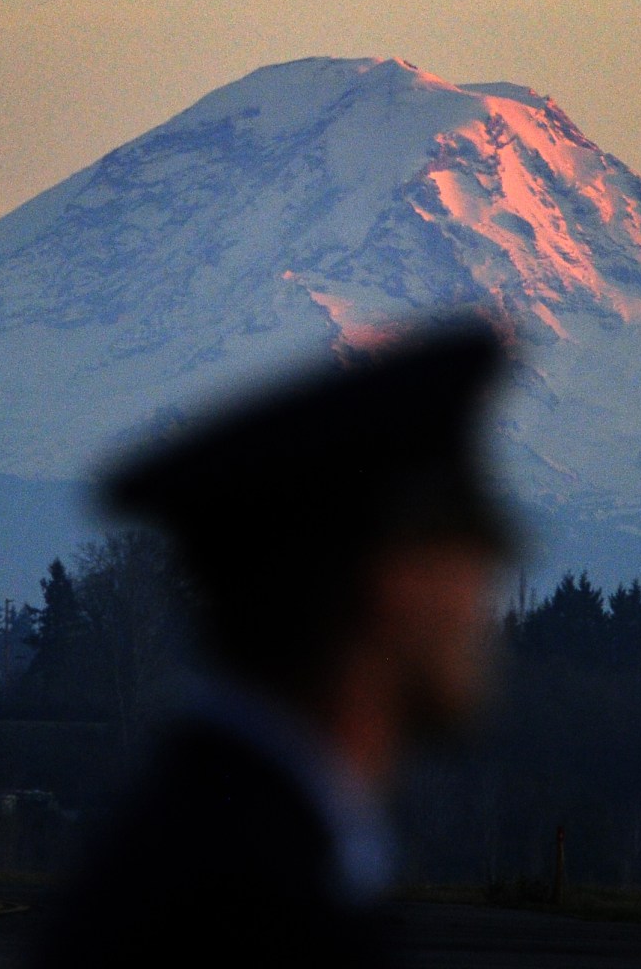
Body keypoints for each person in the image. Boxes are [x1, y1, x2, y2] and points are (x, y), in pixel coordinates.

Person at [28, 318, 520, 969]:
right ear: (390, 583)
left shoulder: (223, 850)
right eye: (470, 554)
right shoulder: (251, 911)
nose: (484, 597)